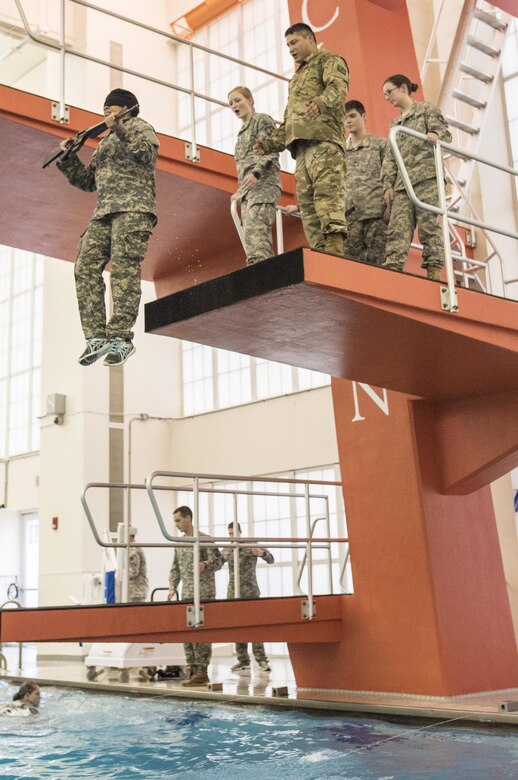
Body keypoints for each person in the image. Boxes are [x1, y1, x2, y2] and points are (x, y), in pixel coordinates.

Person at [56, 89, 159, 367]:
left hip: (134, 210)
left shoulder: (140, 128)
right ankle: (96, 337)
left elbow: (147, 157)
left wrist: (122, 131)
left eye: (109, 111)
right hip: (103, 213)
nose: (105, 118)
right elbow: (90, 181)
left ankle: (121, 338)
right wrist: (68, 159)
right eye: (103, 113)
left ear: (124, 110)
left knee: (124, 272)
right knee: (85, 265)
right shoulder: (105, 143)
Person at [254, 22, 349, 255]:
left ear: (309, 39)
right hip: (302, 151)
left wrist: (321, 102)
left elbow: (338, 87)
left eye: (294, 42)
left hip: (324, 143)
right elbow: (290, 122)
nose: (291, 49)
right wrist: (268, 144)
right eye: (287, 45)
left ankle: (335, 250)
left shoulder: (329, 60)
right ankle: (320, 253)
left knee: (328, 196)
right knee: (308, 206)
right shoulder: (295, 79)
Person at [381, 74, 452, 280]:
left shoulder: (426, 110)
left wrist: (435, 135)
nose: (387, 97)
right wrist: (388, 185)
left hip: (427, 178)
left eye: (389, 92)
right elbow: (390, 158)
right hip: (403, 185)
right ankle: (392, 275)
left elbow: (446, 134)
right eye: (384, 94)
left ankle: (434, 273)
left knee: (429, 226)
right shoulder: (395, 124)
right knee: (397, 230)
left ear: (403, 88)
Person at [167, 505, 222, 687]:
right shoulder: (180, 543)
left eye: (178, 520)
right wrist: (172, 587)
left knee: (202, 634)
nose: (176, 525)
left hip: (204, 593)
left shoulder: (204, 539)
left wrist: (205, 564)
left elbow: (219, 561)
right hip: (187, 594)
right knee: (187, 633)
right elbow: (175, 567)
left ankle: (202, 672)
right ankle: (192, 669)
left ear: (188, 518)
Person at [229, 86, 281, 265]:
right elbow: (243, 167)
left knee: (257, 233)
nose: (234, 105)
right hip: (248, 192)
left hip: (264, 184)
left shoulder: (261, 120)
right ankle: (260, 274)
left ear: (250, 100)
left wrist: (256, 173)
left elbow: (271, 149)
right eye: (230, 103)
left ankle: (264, 276)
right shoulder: (241, 135)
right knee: (251, 241)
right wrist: (240, 191)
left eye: (237, 100)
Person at [222, 522, 274, 674]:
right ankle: (243, 660)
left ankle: (261, 659)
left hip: (250, 591)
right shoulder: (227, 549)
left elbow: (271, 559)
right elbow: (217, 563)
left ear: (240, 531)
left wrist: (261, 554)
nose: (232, 536)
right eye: (230, 534)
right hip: (233, 593)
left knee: (255, 626)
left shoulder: (252, 545)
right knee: (237, 626)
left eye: (234, 533)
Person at [343, 100, 387, 266]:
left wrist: (390, 206)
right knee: (350, 267)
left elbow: (392, 177)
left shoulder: (380, 145)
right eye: (345, 117)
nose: (348, 121)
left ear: (363, 116)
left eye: (353, 116)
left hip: (376, 213)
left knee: (379, 264)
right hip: (350, 215)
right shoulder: (341, 151)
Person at [128, 527, 148, 603]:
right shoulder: (135, 547)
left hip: (135, 592)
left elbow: (133, 571)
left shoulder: (132, 549)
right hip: (137, 591)